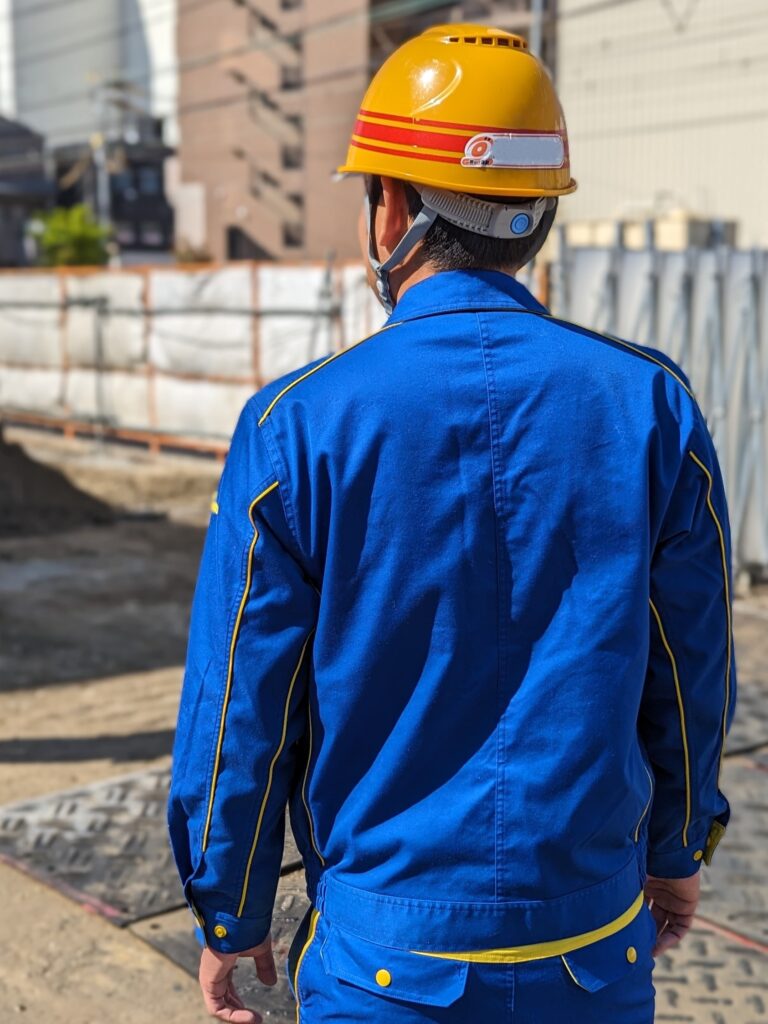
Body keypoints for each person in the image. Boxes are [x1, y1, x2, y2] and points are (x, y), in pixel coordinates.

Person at [167, 23, 736, 1024]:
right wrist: (679, 848)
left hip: (386, 964)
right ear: (538, 212)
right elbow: (690, 666)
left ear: (392, 206)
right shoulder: (652, 405)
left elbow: (238, 708)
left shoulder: (295, 425)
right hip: (592, 948)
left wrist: (230, 911)